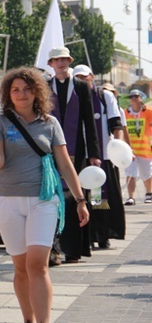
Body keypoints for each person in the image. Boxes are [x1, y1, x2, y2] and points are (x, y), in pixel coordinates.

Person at [0, 66, 89, 323]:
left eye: (26, 89)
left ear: (36, 91)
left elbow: (65, 163)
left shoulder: (50, 123)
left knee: (38, 264)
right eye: (15, 90)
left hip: (43, 199)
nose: (22, 94)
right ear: (8, 95)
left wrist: (81, 200)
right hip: (8, 200)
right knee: (21, 267)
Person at [47, 46, 101, 263]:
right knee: (51, 198)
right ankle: (53, 248)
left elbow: (89, 121)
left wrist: (94, 153)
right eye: (56, 60)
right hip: (49, 152)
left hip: (75, 152)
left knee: (74, 199)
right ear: (50, 64)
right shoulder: (44, 86)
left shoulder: (80, 86)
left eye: (64, 59)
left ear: (69, 61)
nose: (60, 63)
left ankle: (73, 249)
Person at [72, 65, 125, 246]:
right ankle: (86, 236)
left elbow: (116, 124)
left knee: (98, 198)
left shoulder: (104, 96)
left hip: (101, 156)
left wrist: (119, 147)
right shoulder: (72, 97)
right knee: (81, 198)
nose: (81, 81)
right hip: (78, 157)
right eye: (77, 78)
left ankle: (101, 235)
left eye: (84, 78)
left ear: (92, 77)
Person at [124, 89, 152, 205]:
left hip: (145, 149)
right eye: (131, 97)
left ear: (141, 98)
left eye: (136, 96)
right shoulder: (125, 113)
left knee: (146, 173)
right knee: (130, 173)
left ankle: (149, 193)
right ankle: (131, 197)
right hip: (129, 150)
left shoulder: (148, 112)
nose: (133, 98)